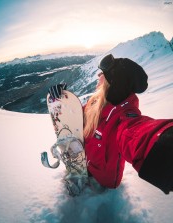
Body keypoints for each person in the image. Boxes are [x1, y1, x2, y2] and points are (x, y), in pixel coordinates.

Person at [49, 54, 173, 194]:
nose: (98, 75)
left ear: (113, 82)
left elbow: (134, 132)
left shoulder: (125, 114)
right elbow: (76, 119)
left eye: (102, 73)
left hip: (104, 179)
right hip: (86, 163)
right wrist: (62, 99)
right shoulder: (96, 101)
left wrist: (162, 143)